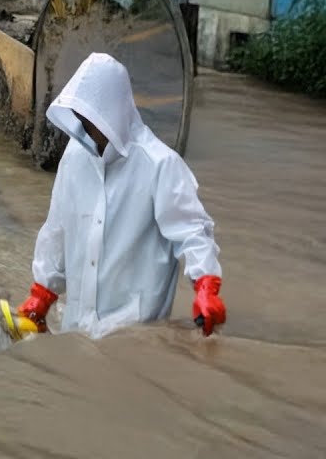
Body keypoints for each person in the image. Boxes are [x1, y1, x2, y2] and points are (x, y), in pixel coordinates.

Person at [18, 53, 227, 339]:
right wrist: (42, 294)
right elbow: (57, 228)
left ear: (112, 112)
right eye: (81, 117)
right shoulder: (75, 156)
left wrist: (205, 287)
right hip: (76, 333)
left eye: (92, 118)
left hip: (132, 340)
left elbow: (193, 233)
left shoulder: (160, 166)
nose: (86, 128)